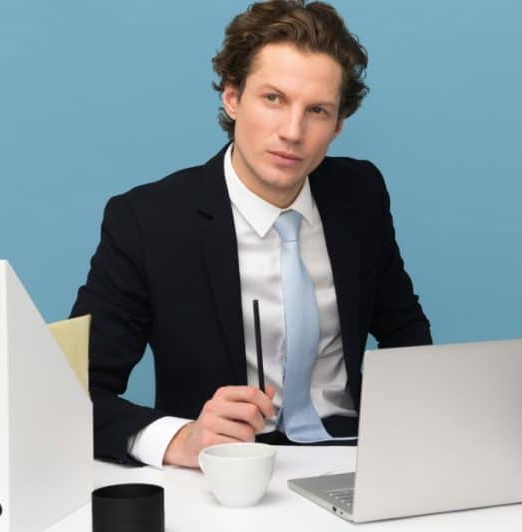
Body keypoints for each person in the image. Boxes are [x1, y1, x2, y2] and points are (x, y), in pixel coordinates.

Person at [70, 0, 431, 469]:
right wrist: (181, 439)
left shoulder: (359, 194)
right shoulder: (147, 221)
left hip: (356, 457)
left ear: (338, 125)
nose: (293, 132)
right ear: (232, 98)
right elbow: (73, 393)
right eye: (273, 99)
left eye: (317, 110)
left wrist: (415, 433)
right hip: (225, 471)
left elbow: (406, 332)